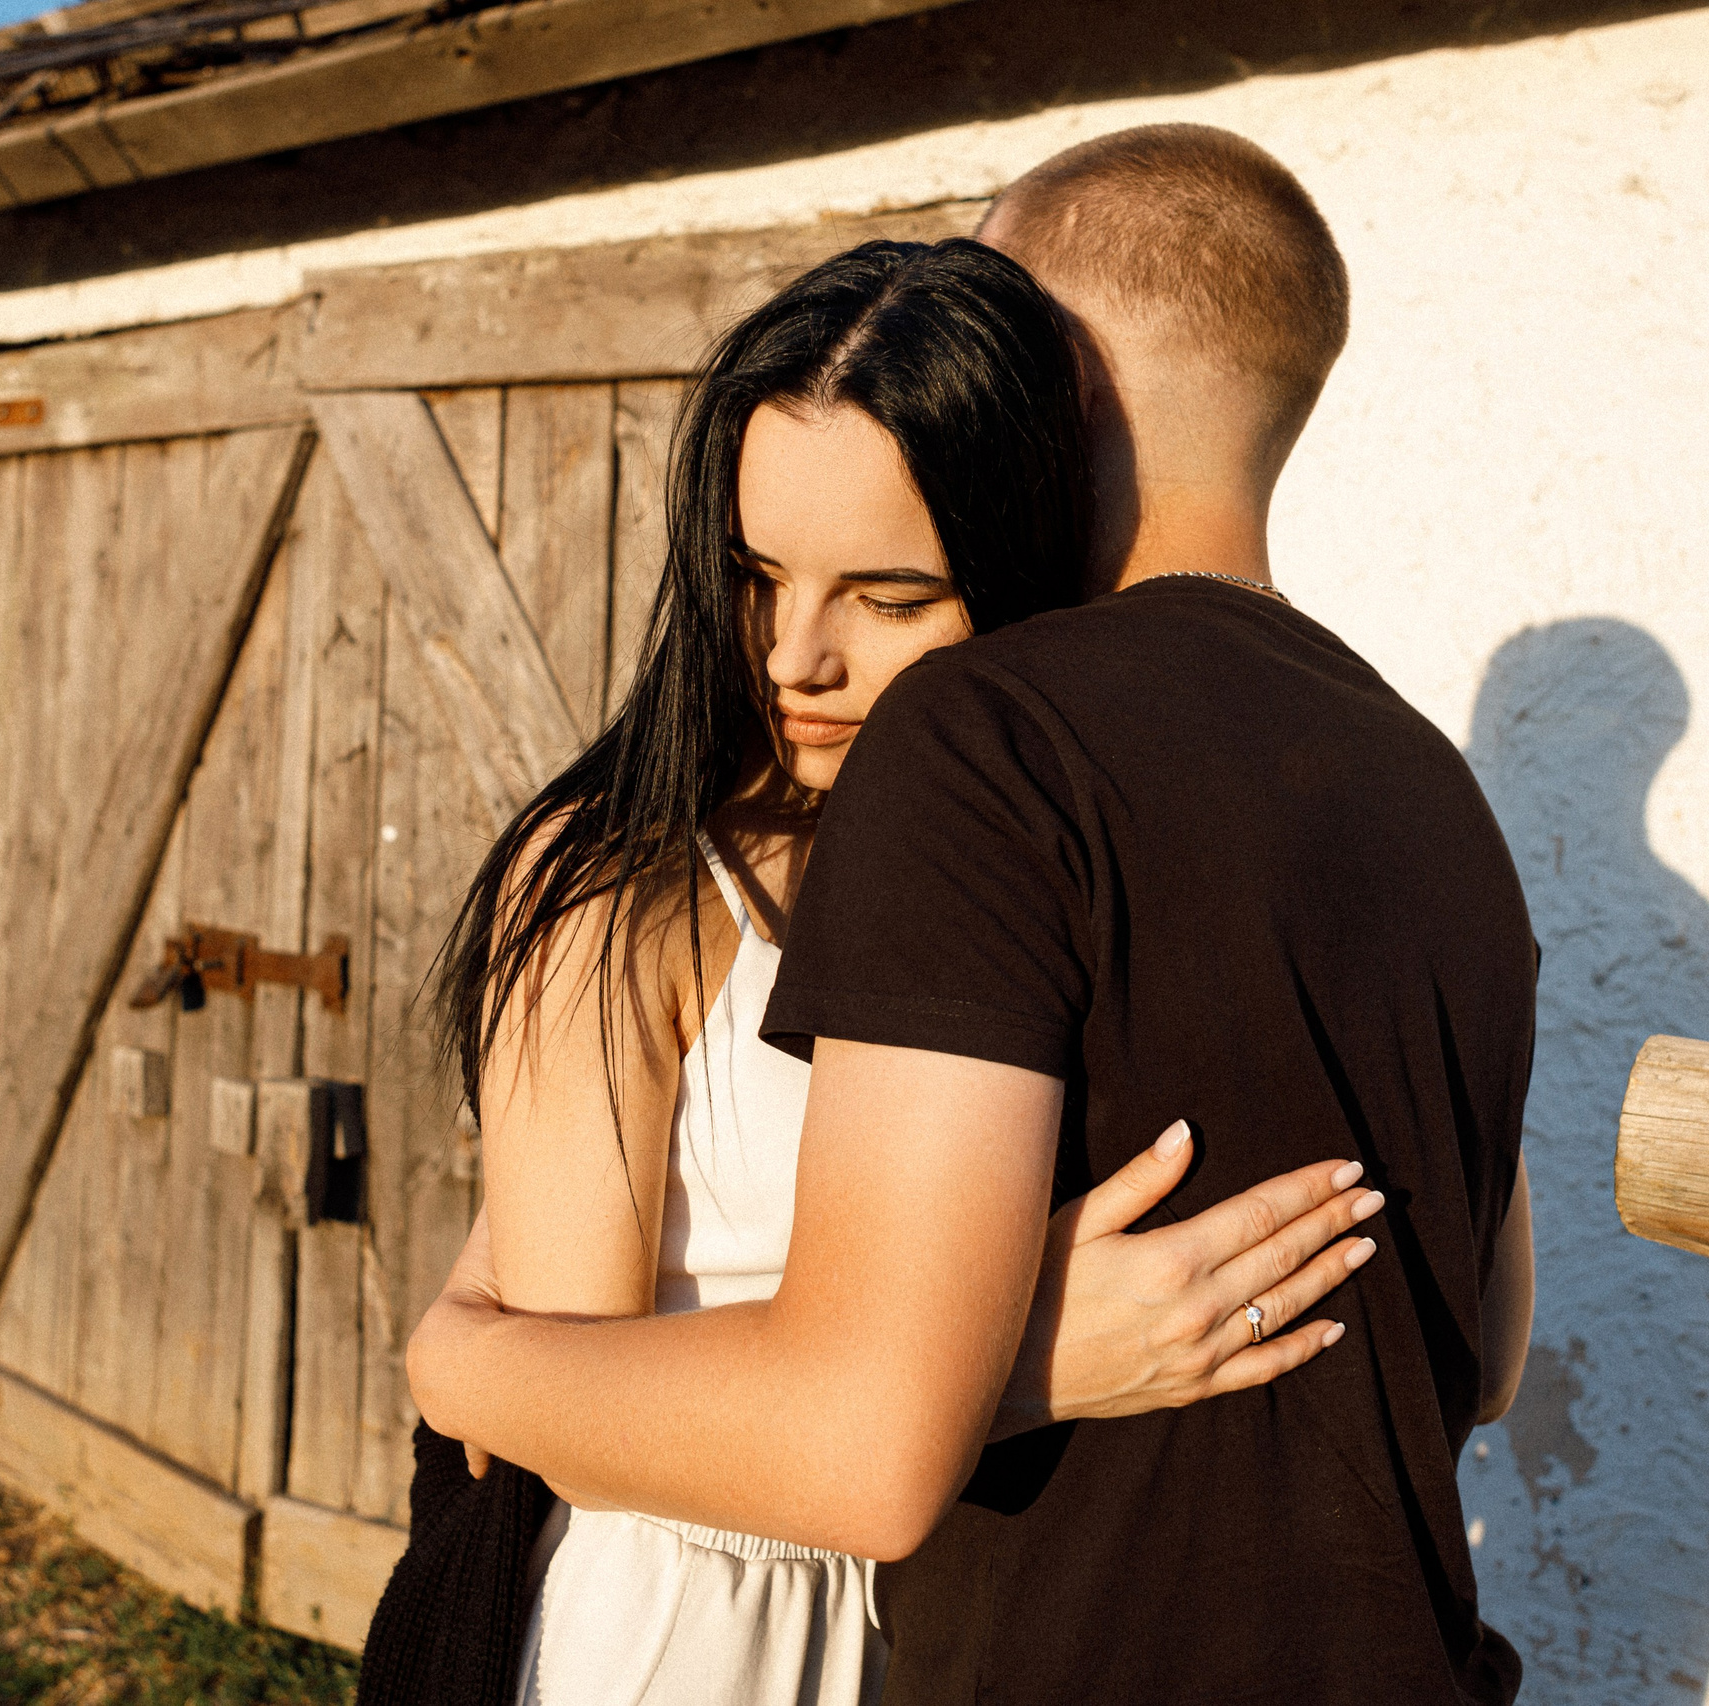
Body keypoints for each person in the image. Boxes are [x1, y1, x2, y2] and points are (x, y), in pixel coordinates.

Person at [410, 125, 1539, 1704]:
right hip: (691, 1632)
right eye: (753, 574)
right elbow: (1484, 1351)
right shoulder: (1434, 793)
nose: (794, 655)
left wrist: (468, 1350)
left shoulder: (1000, 785)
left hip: (914, 1612)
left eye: (890, 595)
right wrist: (1012, 1359)